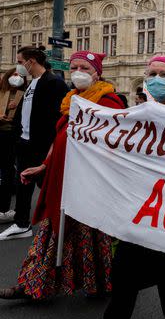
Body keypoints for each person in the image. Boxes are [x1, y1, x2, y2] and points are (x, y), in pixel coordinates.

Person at [72, 56, 165, 319]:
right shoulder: (139, 113)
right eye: (152, 74)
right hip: (141, 207)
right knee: (130, 271)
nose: (157, 79)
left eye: (164, 74)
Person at [0, 52, 124, 300]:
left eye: (85, 68)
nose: (78, 72)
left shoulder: (109, 102)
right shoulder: (71, 100)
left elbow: (116, 145)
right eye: (74, 67)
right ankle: (33, 284)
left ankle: (100, 283)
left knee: (91, 237)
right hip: (64, 180)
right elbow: (61, 139)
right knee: (52, 232)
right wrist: (45, 165)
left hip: (91, 186)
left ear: (97, 72)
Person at [0, 46, 68, 241]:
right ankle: (22, 223)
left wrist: (53, 145)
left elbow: (60, 116)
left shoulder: (54, 82)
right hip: (25, 142)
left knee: (48, 185)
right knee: (23, 183)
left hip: (42, 145)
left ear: (31, 61)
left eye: (20, 62)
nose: (18, 66)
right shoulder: (31, 83)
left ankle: (57, 226)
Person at [0, 68, 26, 223]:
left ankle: (3, 209)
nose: (17, 78)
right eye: (14, 75)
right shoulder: (2, 91)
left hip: (12, 137)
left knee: (8, 173)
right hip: (2, 134)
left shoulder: (24, 95)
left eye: (20, 76)